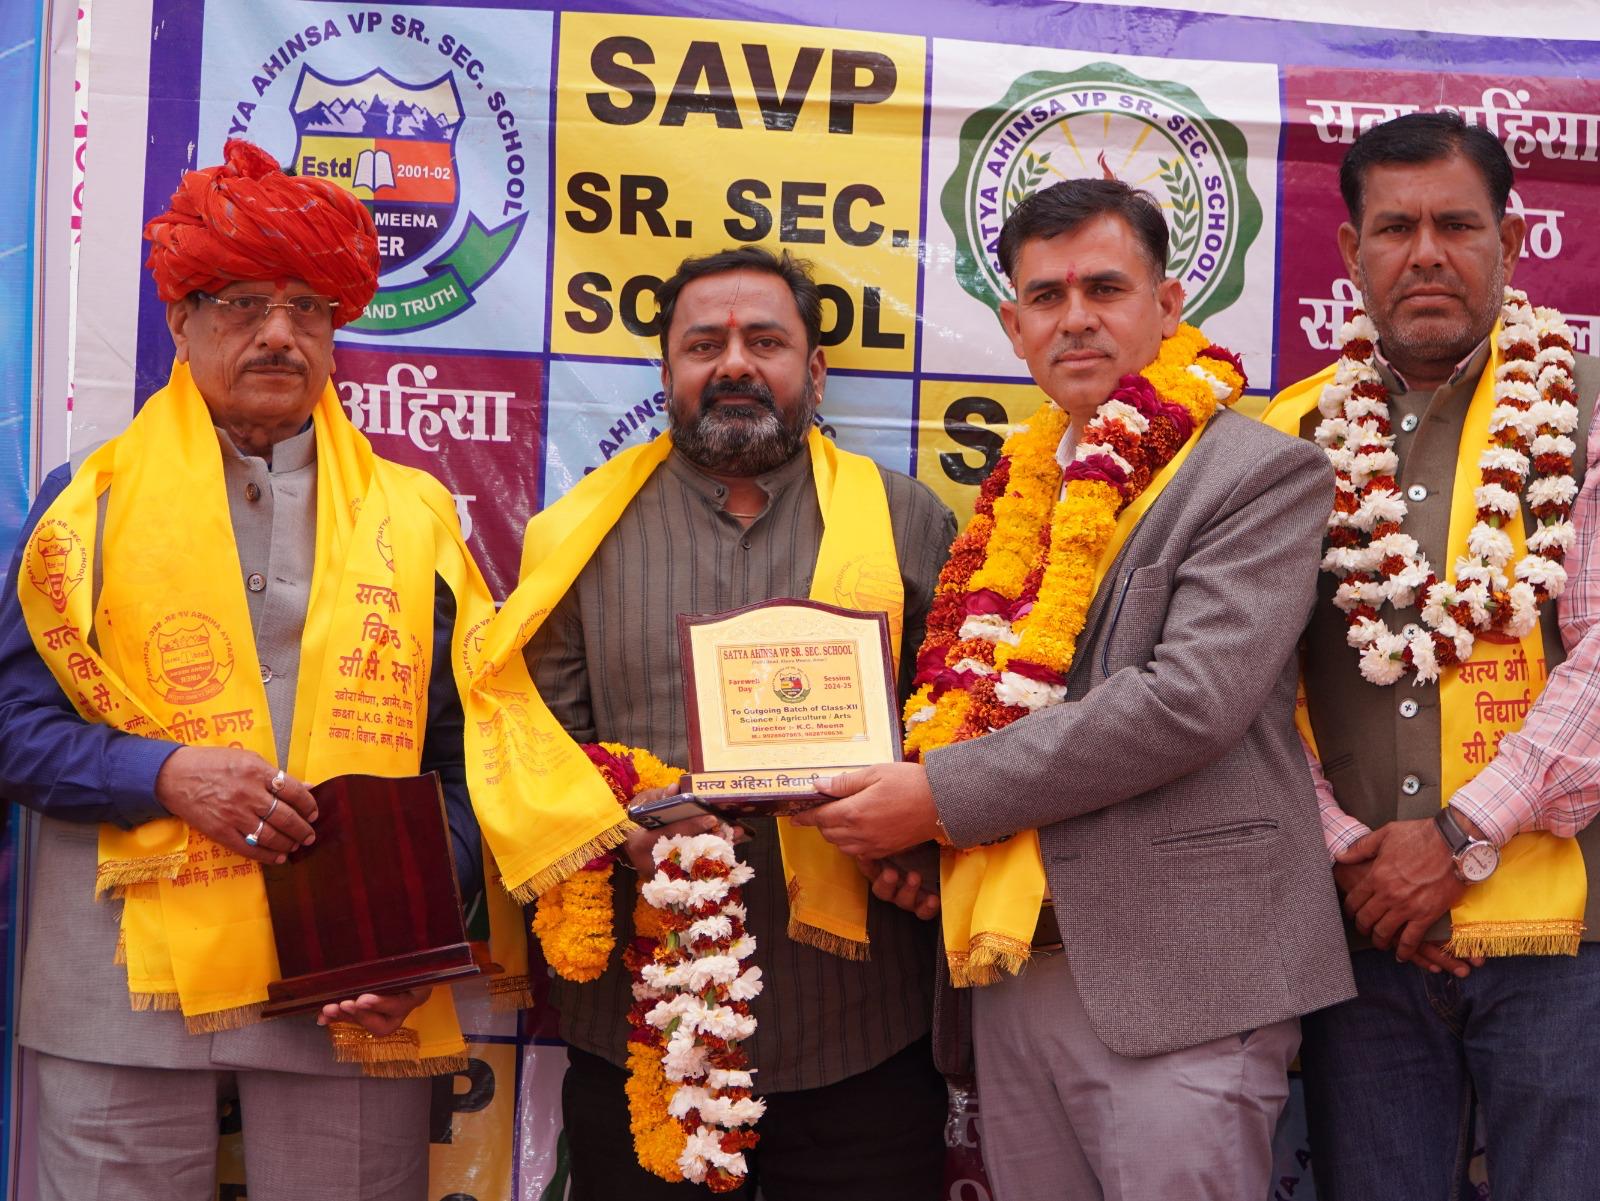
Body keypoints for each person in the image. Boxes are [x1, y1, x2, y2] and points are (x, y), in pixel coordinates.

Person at [793, 178, 1355, 1201]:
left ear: (1168, 304)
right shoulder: (1016, 488)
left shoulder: (1257, 471)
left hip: (1181, 976)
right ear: (1014, 327)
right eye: (1046, 297)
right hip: (1013, 973)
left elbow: (1187, 700)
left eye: (1105, 287)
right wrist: (927, 839)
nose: (1076, 317)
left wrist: (939, 796)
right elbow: (989, 705)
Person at [0, 140, 495, 1201]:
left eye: (308, 307)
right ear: (180, 322)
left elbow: (469, 759)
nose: (278, 332)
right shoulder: (84, 506)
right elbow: (12, 726)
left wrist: (412, 934)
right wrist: (161, 774)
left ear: (336, 331)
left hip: (352, 987)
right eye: (241, 304)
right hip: (119, 987)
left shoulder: (415, 520)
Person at [512, 245, 956, 1199]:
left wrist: (927, 844)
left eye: (766, 341)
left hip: (861, 1019)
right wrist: (624, 832)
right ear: (666, 370)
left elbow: (960, 732)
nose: (735, 364)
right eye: (704, 344)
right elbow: (532, 751)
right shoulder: (576, 534)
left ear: (816, 370)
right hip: (644, 1017)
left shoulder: (906, 520)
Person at [1264, 111, 1600, 1200]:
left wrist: (1457, 838)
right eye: (1394, 228)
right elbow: (1246, 686)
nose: (1425, 254)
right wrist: (1356, 857)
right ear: (1349, 250)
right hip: (1363, 934)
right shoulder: (1285, 437)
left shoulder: (1588, 408)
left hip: (1567, 939)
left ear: (1510, 240)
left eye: (1456, 225)